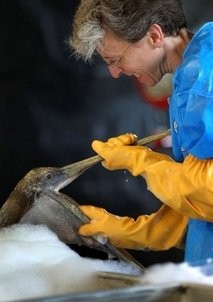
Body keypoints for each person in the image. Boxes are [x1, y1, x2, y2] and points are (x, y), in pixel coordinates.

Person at [70, 0, 213, 263]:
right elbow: (194, 202)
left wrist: (141, 162)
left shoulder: (204, 81)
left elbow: (207, 191)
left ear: (154, 35)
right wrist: (128, 231)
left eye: (116, 60)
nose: (114, 73)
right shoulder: (191, 74)